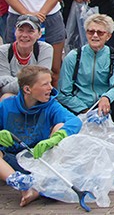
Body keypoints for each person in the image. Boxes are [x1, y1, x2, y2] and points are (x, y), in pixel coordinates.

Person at [0, 65, 82, 207]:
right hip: (13, 162)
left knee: (60, 126)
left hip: (41, 159)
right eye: (45, 84)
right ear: (27, 89)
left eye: (50, 83)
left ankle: (36, 188)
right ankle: (19, 182)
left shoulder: (51, 105)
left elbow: (75, 121)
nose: (51, 88)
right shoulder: (7, 105)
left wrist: (56, 138)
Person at [56, 14, 114, 125]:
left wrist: (106, 97)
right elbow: (63, 92)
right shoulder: (73, 56)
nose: (95, 36)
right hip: (79, 104)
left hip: (104, 104)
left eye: (100, 33)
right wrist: (84, 110)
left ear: (108, 36)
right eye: (91, 32)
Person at [0, 15, 54, 98]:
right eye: (20, 30)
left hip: (38, 96)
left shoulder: (45, 49)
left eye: (30, 31)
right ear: (15, 32)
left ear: (39, 34)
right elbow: (4, 89)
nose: (24, 35)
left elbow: (42, 81)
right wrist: (31, 81)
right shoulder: (3, 51)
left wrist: (12, 80)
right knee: (6, 98)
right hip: (13, 96)